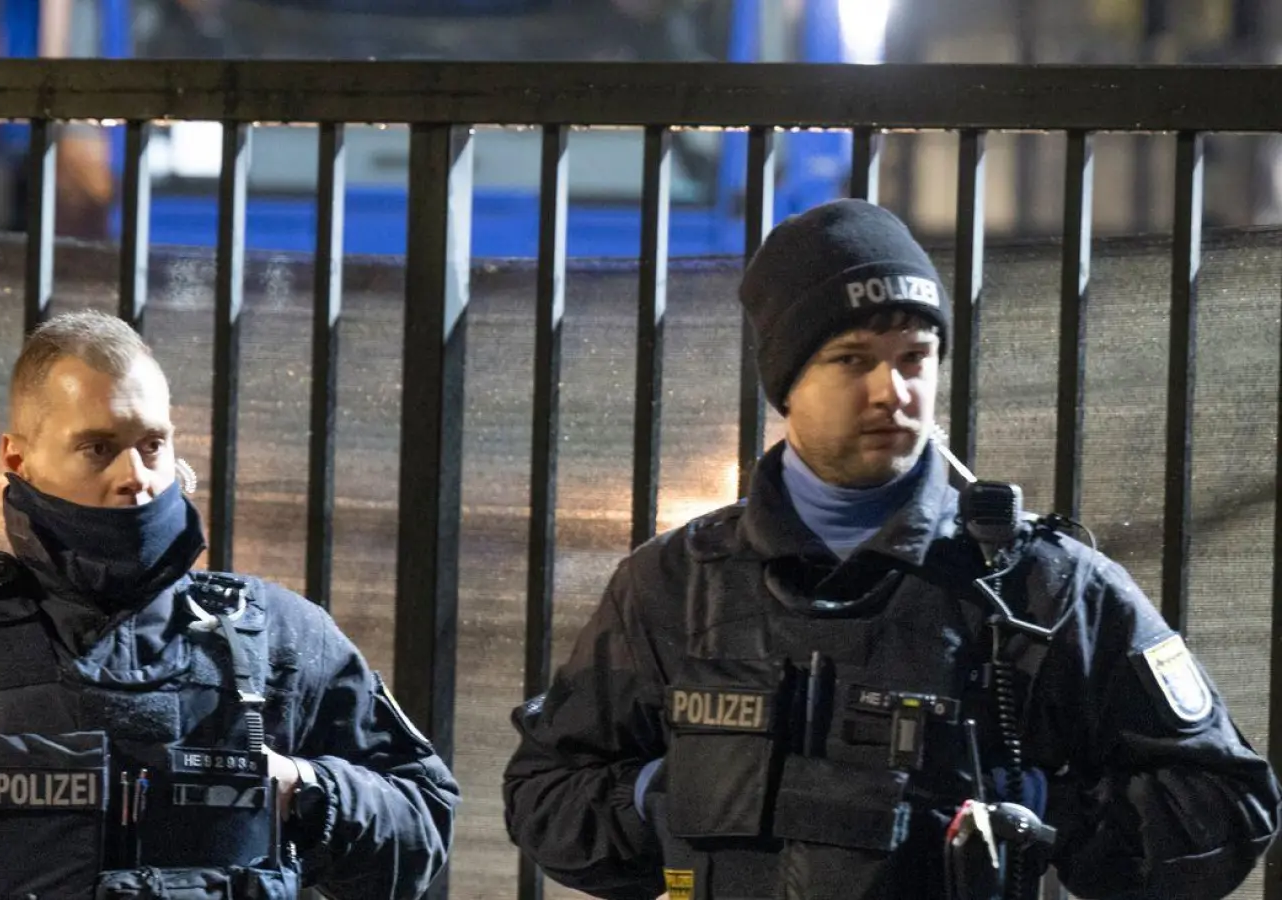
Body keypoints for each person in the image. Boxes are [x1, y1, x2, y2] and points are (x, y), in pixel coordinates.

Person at [501, 199, 1280, 900]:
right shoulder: (672, 584)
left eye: (914, 357)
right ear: (788, 383)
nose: (892, 391)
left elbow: (1227, 803)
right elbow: (546, 792)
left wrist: (1042, 810)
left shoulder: (1041, 585)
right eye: (853, 359)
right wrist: (669, 796)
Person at [0, 310, 458, 900]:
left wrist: (304, 790)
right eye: (99, 448)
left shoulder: (276, 639)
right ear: (18, 457)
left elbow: (423, 825)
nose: (137, 476)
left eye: (153, 443)